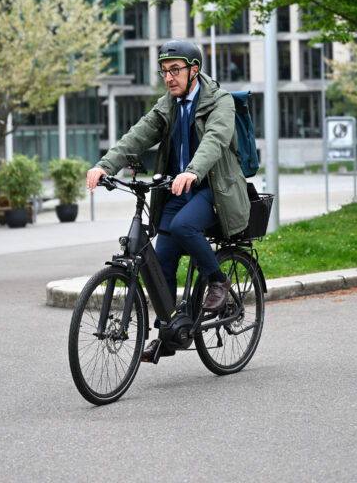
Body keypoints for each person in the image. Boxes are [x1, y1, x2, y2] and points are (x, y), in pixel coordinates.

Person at [86, 40, 250, 361]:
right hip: (177, 189)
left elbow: (215, 140)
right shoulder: (169, 104)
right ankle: (170, 332)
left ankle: (218, 282)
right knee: (161, 265)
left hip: (213, 188)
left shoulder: (220, 101)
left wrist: (192, 171)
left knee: (185, 226)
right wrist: (104, 165)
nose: (169, 77)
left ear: (194, 70)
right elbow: (139, 133)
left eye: (175, 70)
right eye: (164, 71)